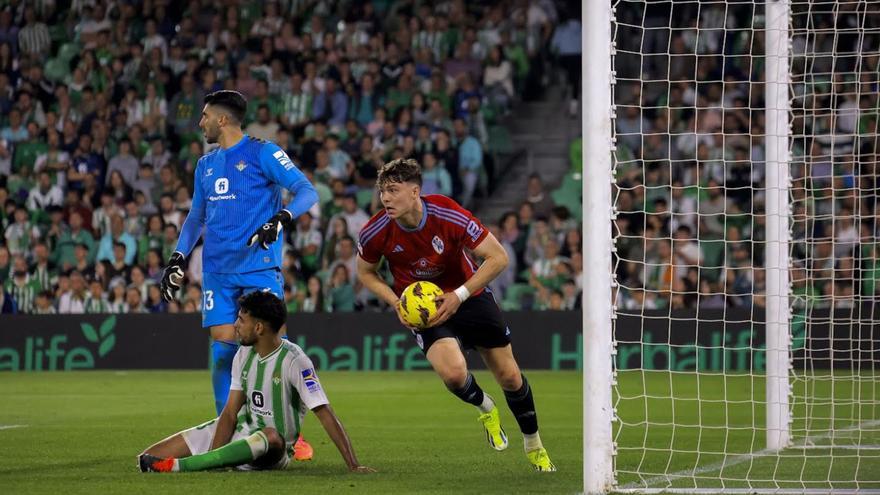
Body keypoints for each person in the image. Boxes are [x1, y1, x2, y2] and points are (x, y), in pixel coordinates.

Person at [355, 158, 556, 472]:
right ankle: (485, 407)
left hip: (468, 295)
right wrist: (396, 302)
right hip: (424, 310)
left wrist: (459, 295)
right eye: (383, 191)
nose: (386, 198)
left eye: (393, 190)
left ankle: (534, 444)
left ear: (415, 192)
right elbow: (366, 273)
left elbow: (498, 258)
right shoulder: (375, 231)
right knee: (452, 373)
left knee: (510, 377)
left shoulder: (446, 214)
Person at [159, 90, 319, 460]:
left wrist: (282, 218)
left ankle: (292, 434)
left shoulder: (264, 152)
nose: (200, 123)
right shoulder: (205, 165)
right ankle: (227, 429)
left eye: (204, 116)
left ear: (222, 120)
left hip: (259, 265)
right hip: (218, 269)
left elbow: (306, 191)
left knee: (273, 349)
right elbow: (196, 217)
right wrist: (178, 258)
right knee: (222, 351)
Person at [138, 291, 374, 474]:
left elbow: (324, 412)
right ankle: (213, 461)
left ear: (259, 327)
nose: (236, 325)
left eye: (241, 320)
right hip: (241, 432)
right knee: (147, 458)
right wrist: (215, 457)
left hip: (273, 450)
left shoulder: (295, 361)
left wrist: (353, 464)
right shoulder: (243, 354)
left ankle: (185, 466)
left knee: (271, 435)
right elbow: (230, 413)